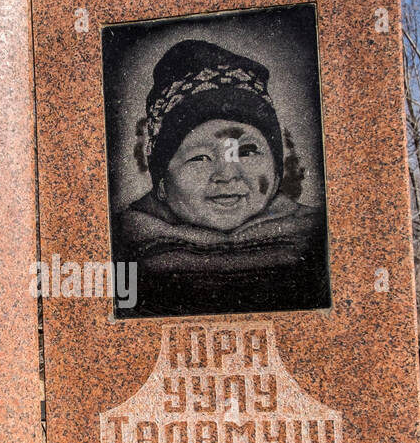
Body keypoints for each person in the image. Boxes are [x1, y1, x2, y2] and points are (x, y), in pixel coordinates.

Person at [114, 38, 330, 318]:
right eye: (200, 157)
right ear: (162, 183)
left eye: (248, 151)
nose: (228, 175)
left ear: (277, 171)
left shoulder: (316, 240)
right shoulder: (126, 248)